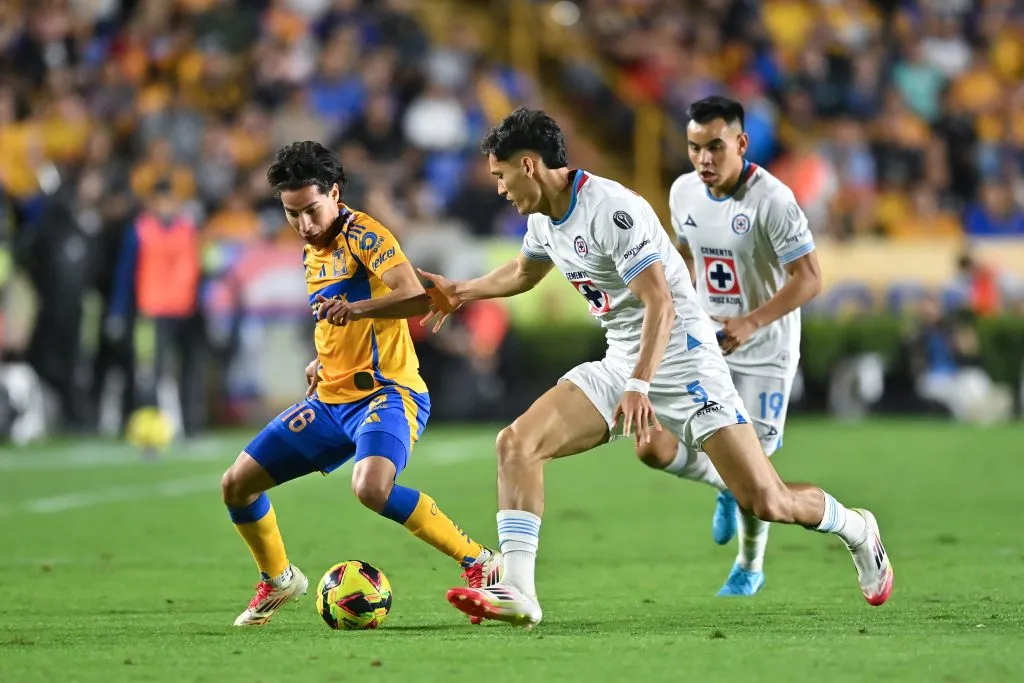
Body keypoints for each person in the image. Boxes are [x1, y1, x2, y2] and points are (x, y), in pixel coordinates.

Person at [418, 107, 892, 628]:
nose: (500, 189)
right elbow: (523, 272)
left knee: (765, 501)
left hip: (684, 360)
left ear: (527, 165)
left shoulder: (612, 209)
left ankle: (855, 527)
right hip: (624, 356)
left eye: (500, 175)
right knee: (516, 443)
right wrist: (461, 291)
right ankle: (519, 593)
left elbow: (660, 304)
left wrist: (641, 385)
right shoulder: (543, 218)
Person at [219, 141, 499, 627]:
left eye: (310, 209)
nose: (304, 224)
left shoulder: (365, 234)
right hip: (331, 397)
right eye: (291, 214)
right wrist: (321, 358)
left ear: (334, 191)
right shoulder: (312, 249)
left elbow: (416, 298)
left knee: (371, 487)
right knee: (237, 485)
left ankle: (481, 562)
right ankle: (280, 577)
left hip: (388, 392)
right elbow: (333, 317)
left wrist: (358, 310)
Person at [635, 95, 823, 597]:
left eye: (715, 147)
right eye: (695, 148)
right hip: (704, 343)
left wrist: (752, 321)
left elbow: (809, 279)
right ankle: (724, 482)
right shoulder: (682, 193)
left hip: (765, 350)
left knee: (758, 480)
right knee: (650, 446)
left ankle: (748, 567)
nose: (704, 160)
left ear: (741, 143)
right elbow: (688, 260)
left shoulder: (773, 200)